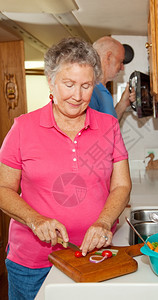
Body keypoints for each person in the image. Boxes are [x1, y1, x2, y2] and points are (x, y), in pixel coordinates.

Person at [0, 37, 132, 299]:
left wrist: (104, 222)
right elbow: (3, 188)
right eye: (69, 84)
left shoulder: (108, 126)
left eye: (85, 86)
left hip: (94, 257)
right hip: (33, 264)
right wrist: (35, 219)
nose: (77, 96)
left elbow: (122, 185)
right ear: (51, 81)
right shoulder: (23, 128)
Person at [89, 36, 135, 120]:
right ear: (108, 57)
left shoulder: (102, 91)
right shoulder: (89, 91)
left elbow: (109, 126)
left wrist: (123, 104)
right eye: (120, 62)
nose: (122, 68)